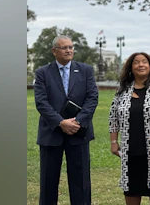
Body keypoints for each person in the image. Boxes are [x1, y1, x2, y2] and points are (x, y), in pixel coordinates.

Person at [34, 35, 99, 205]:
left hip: (79, 133)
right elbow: (41, 102)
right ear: (54, 51)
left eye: (71, 47)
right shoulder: (42, 73)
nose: (69, 50)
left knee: (81, 181)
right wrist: (60, 123)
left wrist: (77, 122)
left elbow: (92, 98)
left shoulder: (85, 70)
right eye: (64, 48)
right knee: (48, 182)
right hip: (51, 133)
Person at [109, 52, 150, 205]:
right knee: (131, 192)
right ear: (131, 67)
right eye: (136, 62)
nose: (141, 65)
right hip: (130, 153)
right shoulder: (123, 90)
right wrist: (113, 141)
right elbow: (113, 116)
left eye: (144, 61)